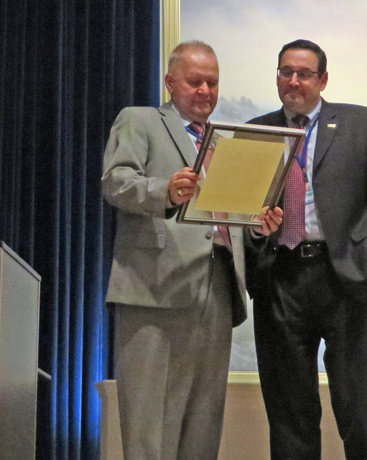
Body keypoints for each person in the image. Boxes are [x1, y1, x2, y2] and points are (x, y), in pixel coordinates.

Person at [102, 41, 281, 460]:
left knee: (204, 420)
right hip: (155, 286)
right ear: (169, 82)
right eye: (194, 81)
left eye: (212, 82)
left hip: (217, 287)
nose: (205, 90)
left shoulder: (224, 144)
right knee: (150, 420)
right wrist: (164, 189)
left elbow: (230, 219)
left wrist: (259, 226)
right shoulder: (140, 120)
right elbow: (115, 181)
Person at [244, 39, 367, 460]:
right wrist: (259, 233)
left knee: (361, 413)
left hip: (345, 281)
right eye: (285, 72)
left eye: (303, 73)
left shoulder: (360, 124)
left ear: (323, 80)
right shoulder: (256, 131)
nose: (293, 81)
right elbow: (241, 213)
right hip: (280, 282)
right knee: (290, 416)